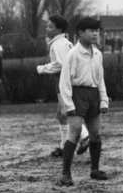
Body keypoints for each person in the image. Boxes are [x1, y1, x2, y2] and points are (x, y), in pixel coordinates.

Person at [56, 16, 110, 186]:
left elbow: (100, 78)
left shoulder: (98, 54)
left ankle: (94, 169)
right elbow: (64, 81)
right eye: (91, 31)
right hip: (77, 95)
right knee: (75, 131)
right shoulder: (73, 54)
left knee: (95, 133)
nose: (95, 34)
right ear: (80, 33)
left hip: (93, 95)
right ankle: (66, 174)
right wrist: (68, 105)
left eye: (97, 31)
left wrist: (103, 100)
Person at [36, 14, 90, 158]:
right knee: (62, 115)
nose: (47, 29)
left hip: (63, 81)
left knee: (67, 112)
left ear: (58, 29)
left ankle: (85, 136)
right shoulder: (64, 42)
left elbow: (60, 64)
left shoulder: (58, 44)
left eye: (50, 26)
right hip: (67, 80)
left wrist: (42, 68)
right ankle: (64, 146)